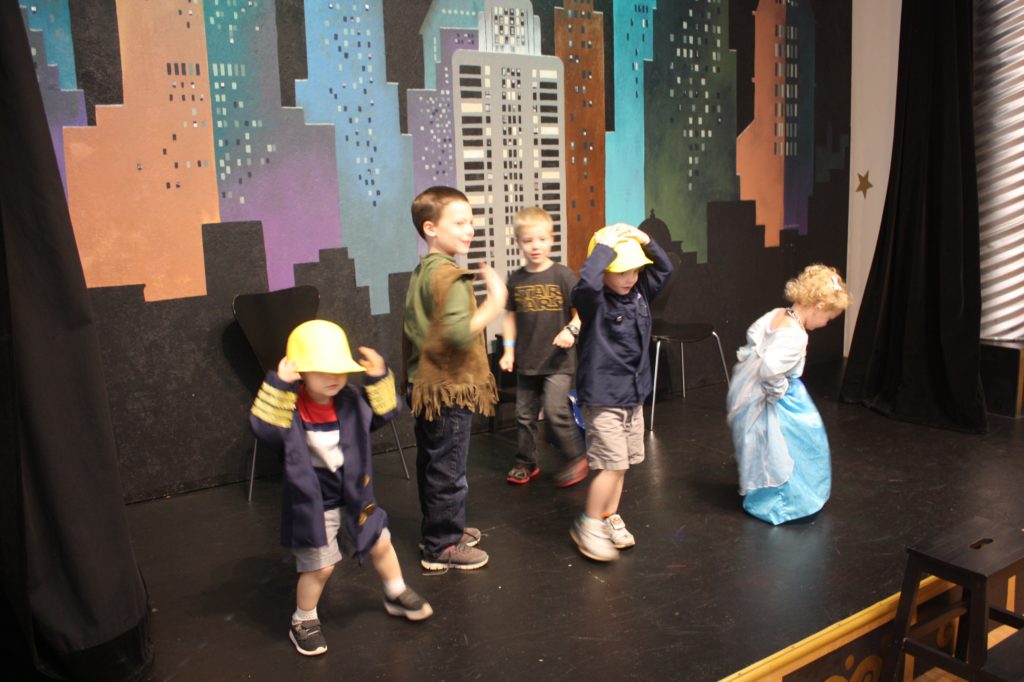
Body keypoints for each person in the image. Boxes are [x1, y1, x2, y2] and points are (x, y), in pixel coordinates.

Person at [249, 320, 432, 657]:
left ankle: (395, 591)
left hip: (355, 497)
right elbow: (265, 429)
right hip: (314, 505)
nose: (333, 378)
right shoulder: (291, 409)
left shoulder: (350, 401)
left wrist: (378, 376)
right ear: (301, 371)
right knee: (320, 567)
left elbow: (385, 411)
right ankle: (303, 619)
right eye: (321, 370)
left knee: (381, 541)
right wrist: (278, 385)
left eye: (339, 370)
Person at [403, 186, 506, 571]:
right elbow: (459, 334)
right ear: (430, 228)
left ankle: (442, 527)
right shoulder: (453, 277)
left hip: (426, 386)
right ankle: (442, 545)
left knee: (434, 463)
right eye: (460, 222)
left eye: (471, 222)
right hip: (448, 390)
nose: (470, 230)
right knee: (449, 469)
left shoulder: (423, 271)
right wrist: (495, 301)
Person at [569, 224, 673, 561]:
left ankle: (607, 516)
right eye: (620, 271)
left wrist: (646, 241)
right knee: (611, 464)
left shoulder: (640, 291)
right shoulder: (594, 301)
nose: (629, 277)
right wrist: (605, 247)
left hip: (633, 395)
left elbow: (666, 268)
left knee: (623, 464)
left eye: (634, 270)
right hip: (604, 399)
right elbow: (585, 282)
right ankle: (588, 524)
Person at [726, 264, 851, 525]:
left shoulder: (778, 314)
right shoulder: (796, 336)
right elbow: (771, 368)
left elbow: (755, 337)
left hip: (758, 392)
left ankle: (772, 497)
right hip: (781, 398)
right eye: (828, 317)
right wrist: (777, 393)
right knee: (792, 447)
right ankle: (784, 503)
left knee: (768, 448)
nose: (826, 323)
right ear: (818, 307)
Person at [498, 207, 588, 488]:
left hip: (559, 361)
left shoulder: (563, 275)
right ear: (519, 243)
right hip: (528, 360)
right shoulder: (515, 280)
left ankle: (577, 457)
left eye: (540, 239)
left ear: (551, 240)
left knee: (554, 409)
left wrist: (571, 330)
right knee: (523, 415)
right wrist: (509, 351)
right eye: (527, 240)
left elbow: (582, 312)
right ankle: (526, 462)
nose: (534, 246)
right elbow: (510, 317)